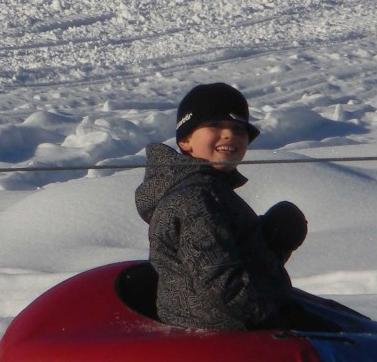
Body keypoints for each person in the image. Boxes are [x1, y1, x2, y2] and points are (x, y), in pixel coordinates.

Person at [135, 82, 317, 332]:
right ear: (186, 140)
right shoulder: (194, 200)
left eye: (238, 129)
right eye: (216, 125)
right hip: (220, 335)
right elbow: (225, 289)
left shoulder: (209, 191)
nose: (229, 135)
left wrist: (269, 242)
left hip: (226, 324)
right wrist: (278, 315)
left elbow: (225, 260)